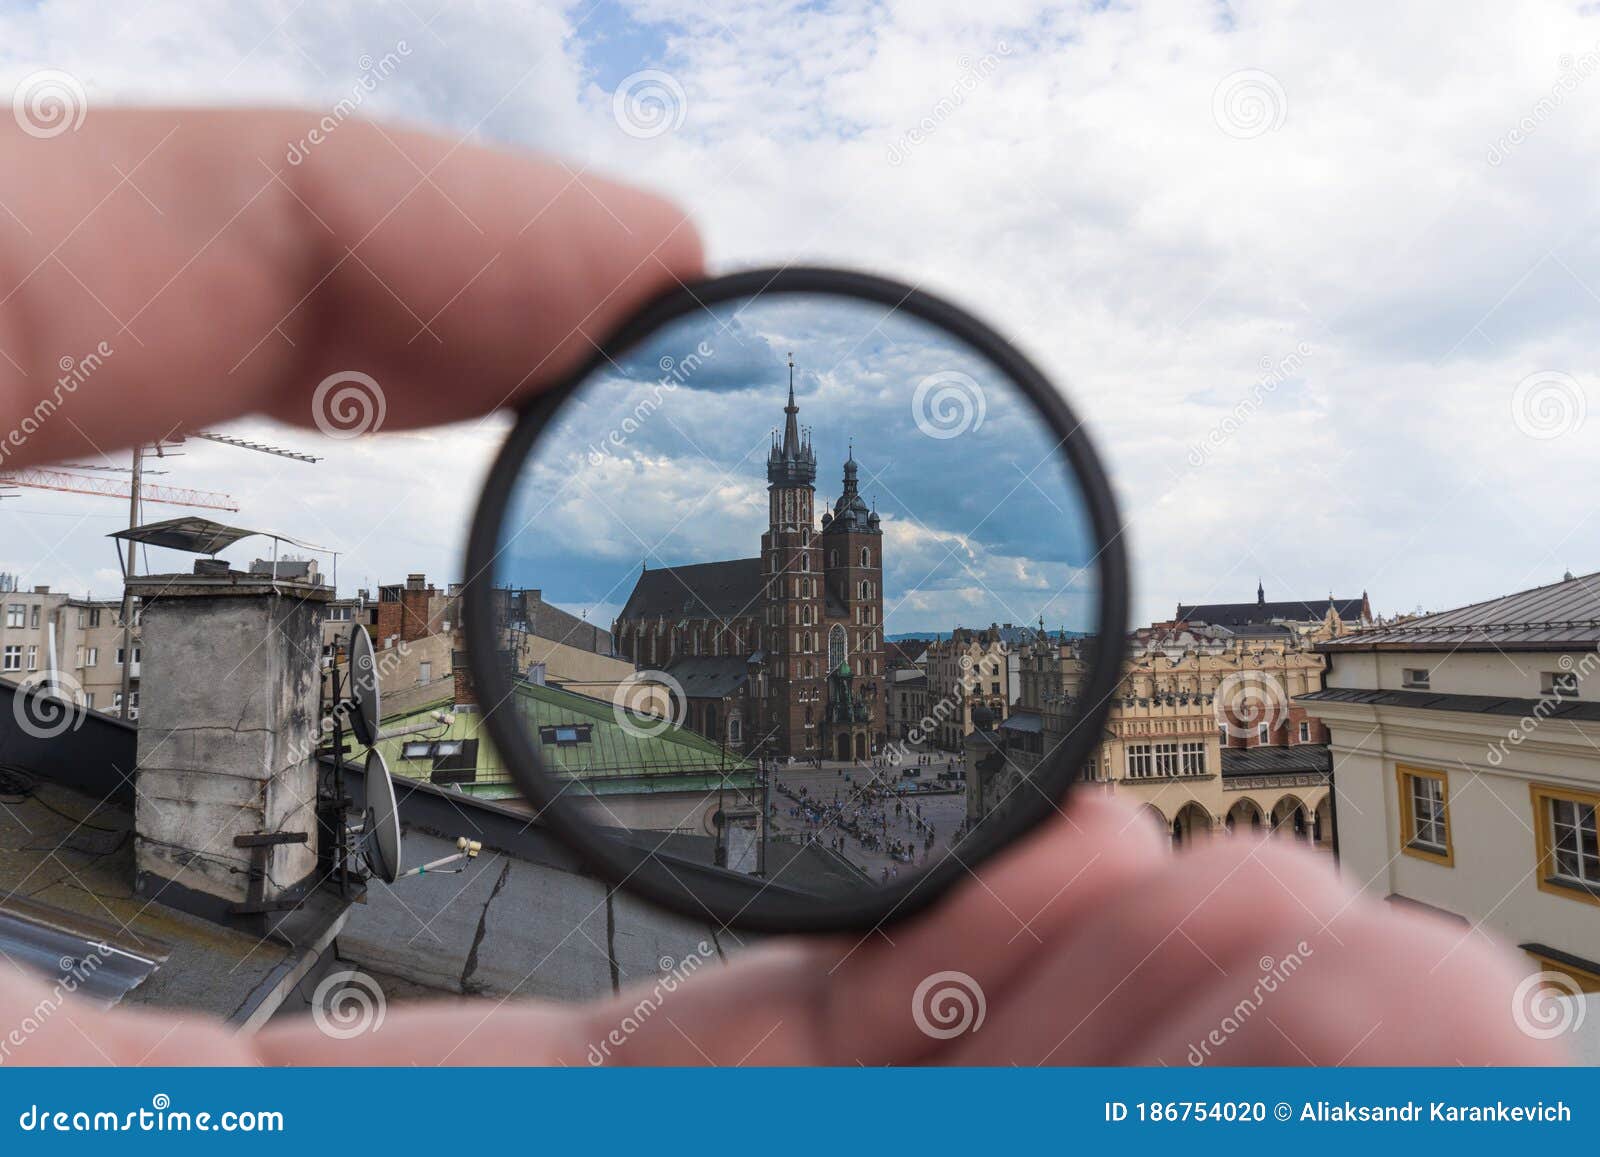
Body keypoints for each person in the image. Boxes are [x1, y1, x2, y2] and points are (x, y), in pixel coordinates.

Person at [0, 109, 1559, 1067]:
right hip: (701, 665)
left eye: (816, 513)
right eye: (798, 498)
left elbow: (839, 667)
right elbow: (658, 646)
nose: (806, 518)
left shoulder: (847, 580)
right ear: (784, 500)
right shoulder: (737, 570)